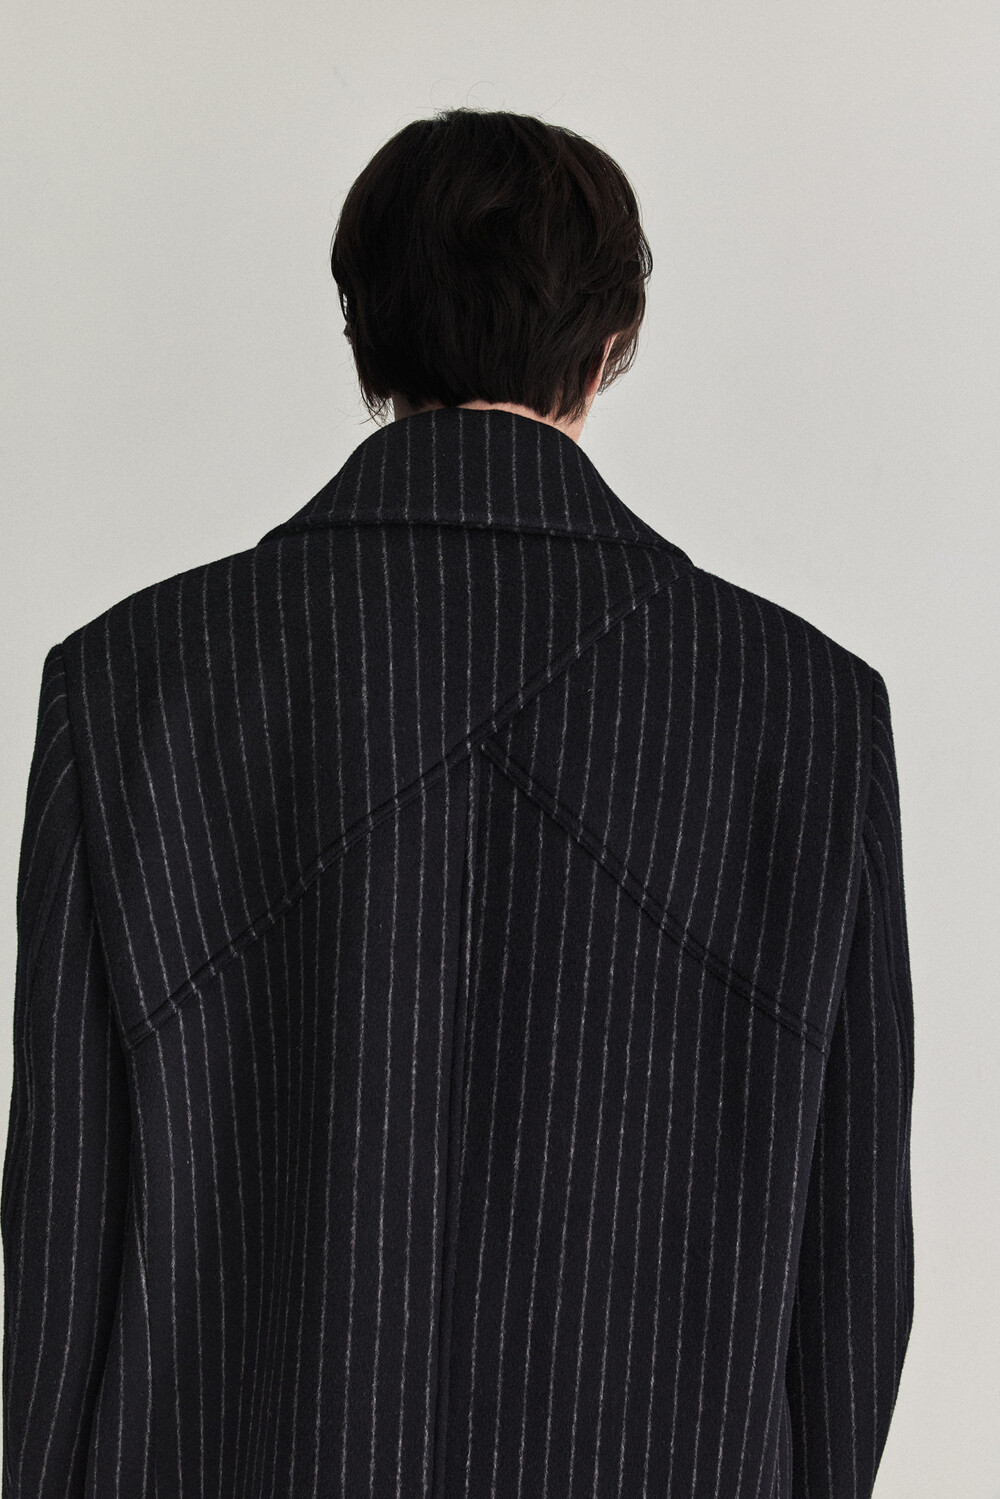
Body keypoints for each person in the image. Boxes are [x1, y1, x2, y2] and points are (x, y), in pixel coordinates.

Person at [2, 106, 913, 1498]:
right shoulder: (805, 713)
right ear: (610, 346)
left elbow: (60, 1240)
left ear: (360, 328)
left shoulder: (132, 686)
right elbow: (852, 1281)